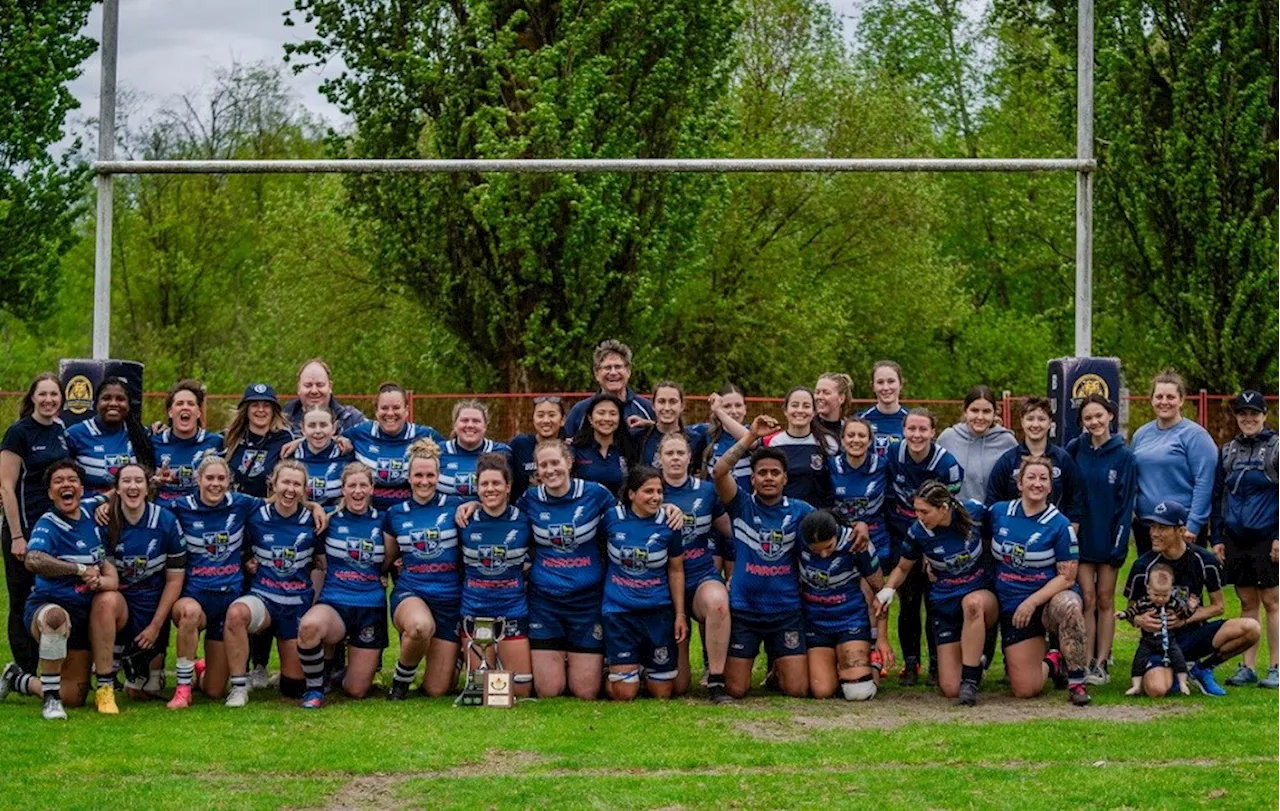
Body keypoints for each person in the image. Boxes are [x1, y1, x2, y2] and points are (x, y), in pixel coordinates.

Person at [164, 455, 325, 709]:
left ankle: (203, 668)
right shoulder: (182, 507)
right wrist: (106, 501)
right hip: (221, 597)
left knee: (287, 688)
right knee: (229, 613)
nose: (215, 484)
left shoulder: (249, 506)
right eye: (210, 478)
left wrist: (316, 507)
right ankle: (227, 687)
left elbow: (321, 560)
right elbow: (144, 508)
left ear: (230, 481)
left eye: (221, 478)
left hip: (291, 602)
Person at [0, 460, 125, 719]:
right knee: (56, 619)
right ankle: (51, 701)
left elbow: (118, 491)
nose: (66, 485)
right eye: (58, 482)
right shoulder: (49, 522)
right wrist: (78, 569)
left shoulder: (92, 508)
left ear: (81, 488)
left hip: (85, 612)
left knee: (75, 696)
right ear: (49, 493)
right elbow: (33, 559)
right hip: (50, 605)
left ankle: (18, 678)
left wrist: (155, 479)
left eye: (72, 480)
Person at [712, 415, 814, 698]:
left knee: (797, 690)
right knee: (735, 690)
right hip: (745, 610)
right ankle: (769, 663)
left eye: (775, 473)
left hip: (786, 610)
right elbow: (719, 472)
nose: (768, 478)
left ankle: (776, 665)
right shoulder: (741, 504)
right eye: (762, 473)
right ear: (753, 478)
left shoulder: (801, 510)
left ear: (785, 478)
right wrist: (750, 437)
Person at [1123, 499, 1261, 697]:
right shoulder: (1142, 566)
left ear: (1180, 531)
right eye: (1152, 526)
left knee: (1251, 628)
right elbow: (1131, 609)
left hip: (1195, 635)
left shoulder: (1205, 560)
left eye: (1162, 528)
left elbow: (1218, 607)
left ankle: (1202, 669)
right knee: (1156, 690)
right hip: (1159, 641)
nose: (1154, 533)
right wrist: (1138, 619)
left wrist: (1184, 619)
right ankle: (1172, 669)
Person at [877, 482, 995, 705]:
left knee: (972, 604)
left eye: (924, 511)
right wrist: (888, 589)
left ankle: (970, 683)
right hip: (945, 600)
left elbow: (996, 536)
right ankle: (974, 662)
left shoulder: (975, 513)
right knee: (950, 688)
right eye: (916, 511)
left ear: (943, 508)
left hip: (980, 596)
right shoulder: (918, 532)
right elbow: (903, 567)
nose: (919, 516)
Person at [988, 455, 1091, 705]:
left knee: (1070, 605)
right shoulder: (999, 512)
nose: (1037, 483)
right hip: (1011, 604)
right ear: (1019, 483)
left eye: (1043, 478)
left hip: (1043, 603)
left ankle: (1077, 681)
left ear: (1050, 486)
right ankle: (1052, 661)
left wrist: (1032, 602)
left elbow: (1067, 577)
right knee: (1025, 690)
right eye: (1031, 477)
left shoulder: (1060, 525)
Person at [222, 461, 319, 707]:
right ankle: (239, 687)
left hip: (296, 603)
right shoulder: (255, 514)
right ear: (273, 483)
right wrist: (246, 560)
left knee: (293, 688)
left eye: (297, 484)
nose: (290, 489)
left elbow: (321, 564)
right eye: (285, 482)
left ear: (304, 489)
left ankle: (285, 673)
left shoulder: (314, 520)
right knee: (236, 613)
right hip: (264, 598)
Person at [297, 463, 390, 708]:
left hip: (371, 607)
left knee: (356, 691)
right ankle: (315, 689)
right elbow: (295, 507)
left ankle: (340, 673)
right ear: (343, 489)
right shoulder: (327, 519)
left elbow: (392, 558)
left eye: (363, 485)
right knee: (308, 627)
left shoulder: (385, 520)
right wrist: (314, 504)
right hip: (335, 602)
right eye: (352, 486)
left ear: (372, 489)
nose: (357, 491)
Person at [887, 407, 964, 687]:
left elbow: (950, 511)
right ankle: (910, 662)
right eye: (911, 429)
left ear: (933, 432)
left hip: (936, 540)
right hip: (902, 535)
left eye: (923, 429)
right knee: (908, 601)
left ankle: (935, 663)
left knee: (934, 602)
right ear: (903, 431)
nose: (916, 435)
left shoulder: (948, 465)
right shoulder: (893, 455)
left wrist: (933, 551)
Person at [383, 440, 463, 700]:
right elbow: (386, 557)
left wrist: (473, 506)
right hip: (412, 591)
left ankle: (456, 659)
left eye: (430, 475)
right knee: (419, 627)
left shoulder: (457, 507)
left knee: (437, 690)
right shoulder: (395, 513)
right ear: (408, 477)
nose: (424, 481)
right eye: (418, 475)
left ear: (439, 476)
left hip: (450, 599)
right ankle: (401, 680)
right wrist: (381, 573)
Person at [1066, 394, 1137, 686]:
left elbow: (1126, 505)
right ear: (1082, 422)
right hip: (1082, 539)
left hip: (1108, 539)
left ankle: (1102, 662)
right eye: (1087, 418)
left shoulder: (1124, 456)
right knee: (1088, 599)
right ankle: (1084, 660)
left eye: (1099, 416)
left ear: (1110, 415)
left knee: (1106, 599)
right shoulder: (1074, 449)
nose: (1094, 422)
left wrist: (1119, 544)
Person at [655, 431, 733, 701]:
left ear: (690, 458)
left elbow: (729, 533)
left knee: (718, 602)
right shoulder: (648, 490)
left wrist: (733, 573)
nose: (675, 458)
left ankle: (716, 679)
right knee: (678, 687)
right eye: (669, 453)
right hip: (660, 582)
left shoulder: (707, 491)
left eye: (680, 453)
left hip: (700, 574)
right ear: (659, 458)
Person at [2, 373, 68, 677]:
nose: (49, 400)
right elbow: (5, 487)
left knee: (52, 594)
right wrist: (16, 535)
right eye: (43, 395)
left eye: (54, 395)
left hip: (54, 531)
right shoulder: (18, 433)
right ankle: (24, 669)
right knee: (22, 598)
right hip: (23, 530)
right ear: (32, 398)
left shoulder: (61, 430)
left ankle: (54, 664)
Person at [1212, 391, 1280, 688]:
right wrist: (1217, 537)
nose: (1248, 419)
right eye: (1243, 414)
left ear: (1265, 414)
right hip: (1235, 537)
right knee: (1246, 601)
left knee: (1272, 601)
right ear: (1236, 417)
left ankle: (1276, 667)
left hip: (1268, 536)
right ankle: (1247, 667)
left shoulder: (1277, 448)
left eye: (1254, 413)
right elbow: (1217, 497)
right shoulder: (1227, 451)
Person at [602, 466, 687, 701]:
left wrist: (679, 614)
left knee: (663, 693)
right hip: (620, 612)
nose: (656, 497)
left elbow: (676, 569)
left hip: (657, 610)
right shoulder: (611, 519)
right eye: (648, 491)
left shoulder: (670, 523)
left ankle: (636, 668)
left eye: (659, 491)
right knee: (624, 694)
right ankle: (618, 671)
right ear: (631, 494)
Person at [102, 463, 185, 701]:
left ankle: (156, 664)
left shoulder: (166, 521)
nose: (133, 486)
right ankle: (109, 663)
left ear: (148, 487)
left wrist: (156, 626)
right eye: (126, 481)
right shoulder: (106, 520)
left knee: (146, 690)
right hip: (121, 599)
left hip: (152, 600)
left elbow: (175, 580)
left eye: (139, 481)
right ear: (116, 489)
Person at [459, 453, 534, 699]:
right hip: (476, 609)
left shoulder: (524, 520)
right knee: (481, 690)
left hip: (511, 609)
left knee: (521, 689)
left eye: (496, 483)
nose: (490, 489)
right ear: (477, 488)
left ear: (508, 487)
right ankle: (464, 661)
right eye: (484, 484)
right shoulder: (463, 520)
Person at [827, 417, 896, 677]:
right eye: (851, 436)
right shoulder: (831, 465)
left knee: (872, 596)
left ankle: (874, 653)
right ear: (843, 440)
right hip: (842, 542)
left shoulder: (883, 465)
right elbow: (827, 504)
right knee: (848, 597)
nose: (856, 440)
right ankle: (847, 654)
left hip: (875, 541)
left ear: (870, 440)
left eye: (861, 436)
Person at [1130, 370, 1218, 556]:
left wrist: (1193, 524)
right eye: (1159, 396)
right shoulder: (1140, 435)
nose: (1164, 401)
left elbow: (1205, 482)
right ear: (1151, 399)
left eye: (1170, 396)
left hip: (1181, 528)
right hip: (1147, 526)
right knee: (1150, 583)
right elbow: (1133, 478)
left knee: (1182, 584)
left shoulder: (1195, 436)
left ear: (1181, 400)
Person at [799, 509, 884, 701]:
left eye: (828, 546)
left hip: (850, 620)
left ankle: (873, 664)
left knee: (859, 693)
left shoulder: (857, 542)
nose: (823, 554)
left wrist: (881, 638)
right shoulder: (799, 536)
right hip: (816, 622)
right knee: (822, 691)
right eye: (815, 550)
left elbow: (881, 591)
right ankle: (838, 666)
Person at [985, 397, 1086, 528]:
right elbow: (993, 500)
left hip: (1052, 536)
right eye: (1030, 418)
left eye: (1041, 419)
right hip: (1015, 534)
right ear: (1022, 421)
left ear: (1050, 423)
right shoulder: (1008, 460)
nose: (1035, 424)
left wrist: (1070, 535)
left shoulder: (1062, 459)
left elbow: (1075, 501)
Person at [346, 381, 445, 509]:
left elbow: (454, 453)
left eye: (396, 407)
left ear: (406, 410)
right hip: (369, 515)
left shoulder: (426, 435)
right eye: (384, 408)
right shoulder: (359, 433)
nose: (390, 413)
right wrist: (340, 440)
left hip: (411, 515)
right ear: (376, 410)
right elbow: (330, 445)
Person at [65, 376, 153, 496]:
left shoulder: (140, 435)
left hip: (128, 509)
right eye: (106, 398)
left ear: (128, 405)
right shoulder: (74, 434)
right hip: (89, 509)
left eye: (120, 399)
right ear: (96, 403)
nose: (113, 403)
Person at [1116, 563, 1195, 696]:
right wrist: (1124, 614)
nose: (1160, 599)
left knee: (1178, 658)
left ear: (1171, 591)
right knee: (1139, 660)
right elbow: (1133, 610)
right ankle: (1136, 685)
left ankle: (1182, 683)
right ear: (1148, 589)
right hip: (1148, 640)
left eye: (1164, 595)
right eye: (1156, 594)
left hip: (1168, 639)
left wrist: (1191, 607)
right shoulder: (1144, 602)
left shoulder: (1173, 603)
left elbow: (1183, 614)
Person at [937, 385, 1017, 504]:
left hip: (993, 516)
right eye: (974, 410)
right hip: (954, 517)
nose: (980, 417)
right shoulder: (948, 438)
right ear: (965, 411)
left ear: (995, 412)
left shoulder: (1007, 442)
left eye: (986, 411)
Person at [150, 379, 224, 506]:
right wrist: (155, 481)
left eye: (190, 403)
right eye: (179, 403)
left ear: (199, 412)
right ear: (170, 412)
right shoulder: (153, 442)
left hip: (198, 514)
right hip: (164, 513)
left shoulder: (216, 442)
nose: (185, 407)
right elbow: (141, 483)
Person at [760, 386, 836, 507]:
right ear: (785, 410)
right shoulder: (774, 443)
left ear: (814, 412)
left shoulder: (828, 443)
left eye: (806, 406)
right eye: (795, 405)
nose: (800, 410)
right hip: (784, 517)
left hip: (819, 517)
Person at [563, 339, 656, 436]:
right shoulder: (580, 411)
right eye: (607, 368)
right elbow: (564, 446)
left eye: (618, 367)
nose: (613, 372)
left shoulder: (647, 409)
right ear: (596, 373)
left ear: (628, 371)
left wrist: (653, 425)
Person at [224, 383, 294, 498]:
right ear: (246, 410)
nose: (261, 410)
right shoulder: (230, 437)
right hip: (236, 507)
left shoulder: (284, 438)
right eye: (255, 405)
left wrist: (300, 441)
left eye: (266, 405)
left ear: (273, 410)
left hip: (267, 509)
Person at [437, 399, 512, 499]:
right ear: (455, 425)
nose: (470, 425)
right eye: (464, 420)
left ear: (485, 426)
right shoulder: (437, 452)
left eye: (476, 421)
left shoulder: (502, 452)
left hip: (485, 513)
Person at [570, 393, 639, 495]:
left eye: (613, 414)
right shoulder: (576, 449)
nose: (607, 418)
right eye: (601, 413)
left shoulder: (629, 449)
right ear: (590, 418)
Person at [636, 381, 707, 473]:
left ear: (682, 406)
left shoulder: (695, 440)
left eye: (673, 402)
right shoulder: (640, 438)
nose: (667, 408)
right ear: (653, 406)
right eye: (661, 401)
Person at [282, 358, 366, 435]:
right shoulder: (282, 421)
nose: (314, 391)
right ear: (298, 388)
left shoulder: (351, 419)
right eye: (308, 385)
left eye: (320, 385)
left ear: (330, 387)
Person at [291, 405, 354, 507]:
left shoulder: (347, 453)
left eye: (323, 425)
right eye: (311, 425)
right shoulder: (290, 455)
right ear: (302, 429)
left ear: (333, 427)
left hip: (335, 518)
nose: (318, 431)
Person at [510, 395, 565, 500]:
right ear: (533, 418)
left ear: (562, 420)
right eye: (540, 415)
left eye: (552, 415)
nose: (546, 420)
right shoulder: (519, 445)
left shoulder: (569, 448)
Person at [859, 360, 908, 458]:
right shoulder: (861, 420)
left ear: (901, 384)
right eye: (880, 382)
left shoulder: (912, 420)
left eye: (891, 381)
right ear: (873, 386)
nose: (886, 387)